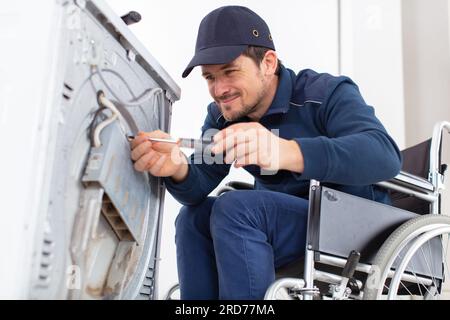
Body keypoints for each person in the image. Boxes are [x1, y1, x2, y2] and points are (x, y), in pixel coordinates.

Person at [130, 5, 401, 300]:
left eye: (230, 72)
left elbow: (384, 155)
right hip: (281, 229)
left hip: (353, 227)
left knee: (237, 208)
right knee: (192, 219)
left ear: (268, 63)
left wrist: (286, 151)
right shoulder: (222, 117)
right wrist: (177, 168)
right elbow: (199, 183)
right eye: (209, 77)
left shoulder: (327, 93)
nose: (219, 89)